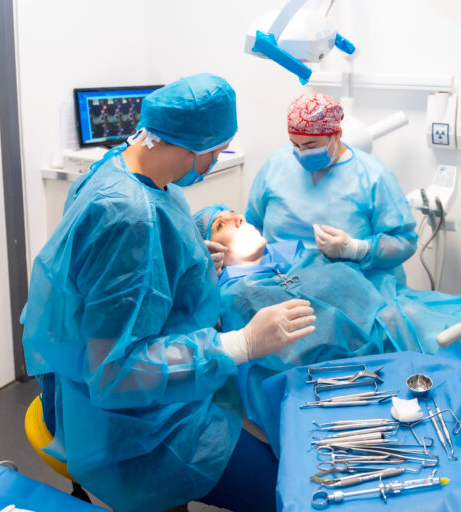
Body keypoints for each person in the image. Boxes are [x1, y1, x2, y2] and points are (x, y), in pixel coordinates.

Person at [20, 74, 316, 512]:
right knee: (285, 491)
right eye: (214, 151)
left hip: (141, 393)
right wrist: (243, 342)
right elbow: (117, 370)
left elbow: (114, 281)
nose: (215, 160)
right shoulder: (128, 217)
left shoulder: (122, 166)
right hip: (140, 430)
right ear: (187, 143)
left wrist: (192, 259)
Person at [193, 203, 461, 480]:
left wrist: (353, 249)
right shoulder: (233, 298)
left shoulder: (297, 252)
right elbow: (276, 368)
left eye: (237, 215)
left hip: (408, 311)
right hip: (377, 357)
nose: (239, 220)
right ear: (207, 249)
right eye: (222, 224)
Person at [245, 92, 418, 282]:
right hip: (280, 286)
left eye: (311, 145)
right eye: (295, 144)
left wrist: (355, 248)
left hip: (351, 292)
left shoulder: (374, 176)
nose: (301, 153)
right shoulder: (276, 166)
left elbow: (405, 242)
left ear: (337, 135)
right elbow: (253, 224)